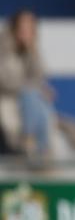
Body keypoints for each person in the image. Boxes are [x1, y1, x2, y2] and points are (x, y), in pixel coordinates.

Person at [0, 11, 55, 159]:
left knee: (40, 104)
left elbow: (41, 75)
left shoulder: (30, 49)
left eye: (30, 28)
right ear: (14, 28)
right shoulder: (3, 47)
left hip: (27, 100)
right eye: (23, 27)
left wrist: (32, 50)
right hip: (6, 98)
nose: (26, 31)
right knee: (31, 94)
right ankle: (33, 146)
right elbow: (4, 80)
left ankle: (38, 149)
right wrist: (32, 86)